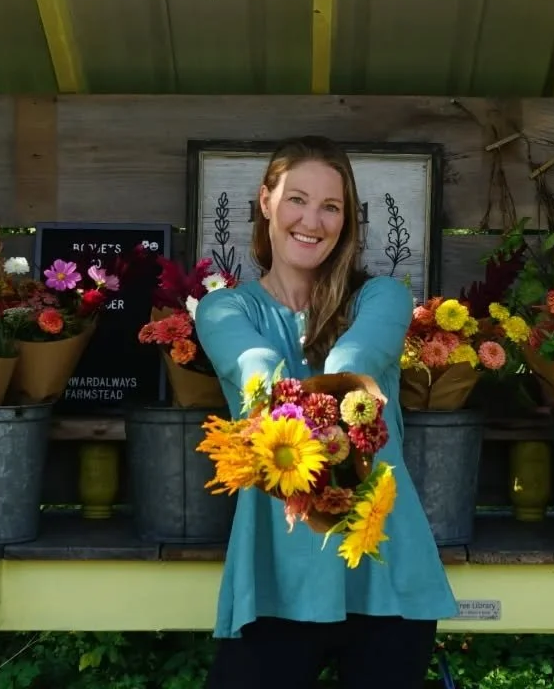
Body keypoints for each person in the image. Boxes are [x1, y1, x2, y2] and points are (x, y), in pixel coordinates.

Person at [195, 135, 457, 689]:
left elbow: (355, 358)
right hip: (274, 578)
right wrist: (295, 393)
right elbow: (256, 365)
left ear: (346, 221)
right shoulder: (224, 308)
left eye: (330, 206)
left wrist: (320, 392)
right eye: (297, 198)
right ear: (266, 201)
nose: (311, 219)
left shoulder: (381, 297)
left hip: (384, 572)